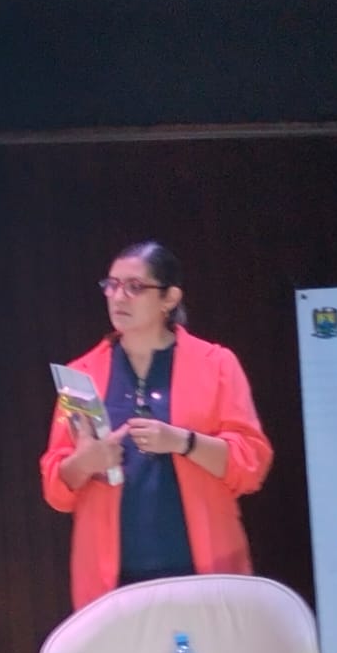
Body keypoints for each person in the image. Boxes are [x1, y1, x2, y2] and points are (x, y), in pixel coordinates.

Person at [40, 240, 273, 612]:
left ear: (169, 298)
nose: (118, 297)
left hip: (203, 572)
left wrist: (183, 442)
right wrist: (86, 462)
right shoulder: (81, 375)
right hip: (113, 583)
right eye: (112, 285)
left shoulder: (216, 364)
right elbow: (56, 488)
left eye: (135, 287)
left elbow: (251, 465)